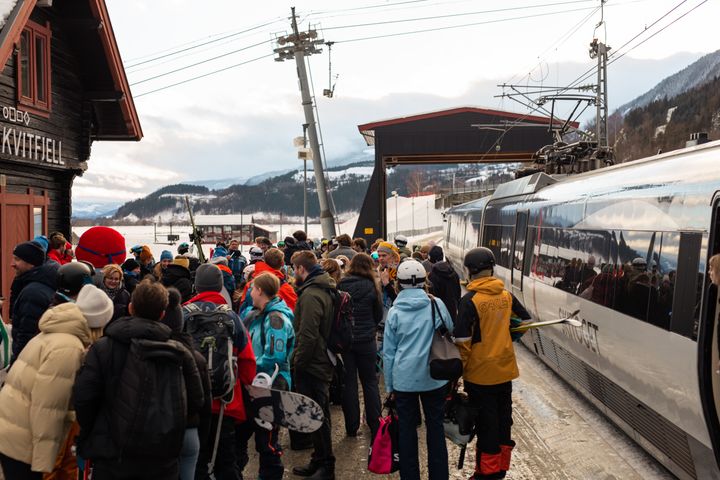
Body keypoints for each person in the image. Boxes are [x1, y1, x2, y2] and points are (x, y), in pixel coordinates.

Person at [73, 279, 204, 480]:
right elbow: (195, 401)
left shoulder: (104, 348)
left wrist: (97, 433)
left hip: (112, 454)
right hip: (162, 457)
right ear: (162, 314)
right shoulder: (181, 353)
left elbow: (84, 398)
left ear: (131, 307)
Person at [0, 284, 112, 479]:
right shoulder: (68, 348)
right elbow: (48, 409)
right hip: (23, 444)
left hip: (13, 432)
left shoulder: (55, 333)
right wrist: (44, 463)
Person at [454, 247, 532, 480]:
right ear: (491, 269)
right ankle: (500, 470)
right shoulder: (505, 295)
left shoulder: (470, 301)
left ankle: (485, 474)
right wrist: (509, 335)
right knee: (503, 421)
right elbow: (525, 321)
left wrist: (460, 371)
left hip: (480, 374)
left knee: (486, 425)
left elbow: (462, 341)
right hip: (505, 370)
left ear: (469, 271)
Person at [184, 264, 256, 480]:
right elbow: (247, 359)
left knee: (193, 460)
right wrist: (249, 391)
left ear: (196, 285)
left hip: (190, 401)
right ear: (220, 286)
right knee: (226, 459)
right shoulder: (231, 317)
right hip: (225, 400)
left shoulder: (182, 314)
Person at [383, 260, 452, 480]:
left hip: (404, 381)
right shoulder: (436, 304)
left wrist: (390, 386)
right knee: (435, 429)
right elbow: (449, 329)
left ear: (399, 284)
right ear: (424, 281)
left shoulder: (394, 312)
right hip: (434, 377)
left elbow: (388, 353)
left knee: (406, 432)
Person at [43, 284, 115, 480]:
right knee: (52, 467)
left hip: (61, 418)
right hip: (56, 419)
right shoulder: (72, 346)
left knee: (65, 466)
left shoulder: (67, 336)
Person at [237, 272, 295, 479]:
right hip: (252, 383)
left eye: (252, 288)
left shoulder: (276, 318)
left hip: (271, 384)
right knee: (240, 434)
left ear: (260, 290)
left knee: (266, 440)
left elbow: (275, 355)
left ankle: (270, 475)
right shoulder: (254, 314)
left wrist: (246, 365)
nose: (250, 292)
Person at [290, 251, 337, 480]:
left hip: (313, 363)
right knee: (316, 413)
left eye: (294, 269)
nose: (292, 274)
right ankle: (319, 459)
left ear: (301, 269)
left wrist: (297, 363)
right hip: (320, 358)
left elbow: (307, 335)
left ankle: (326, 465)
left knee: (318, 414)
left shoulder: (310, 295)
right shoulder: (323, 287)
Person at [162, 288, 212, 480]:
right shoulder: (194, 357)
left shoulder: (139, 350)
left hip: (158, 430)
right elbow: (202, 402)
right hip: (188, 429)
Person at [338, 253, 383, 439]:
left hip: (347, 342)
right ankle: (375, 424)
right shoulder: (372, 286)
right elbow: (378, 314)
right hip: (367, 341)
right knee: (370, 382)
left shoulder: (341, 285)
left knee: (349, 384)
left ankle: (351, 426)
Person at [9, 241, 58, 364]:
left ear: (31, 263)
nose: (12, 264)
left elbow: (27, 336)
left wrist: (15, 366)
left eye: (17, 259)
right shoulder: (39, 281)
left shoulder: (33, 293)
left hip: (30, 361)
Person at [239, 248, 297, 312]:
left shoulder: (250, 284)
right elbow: (294, 311)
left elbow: (243, 308)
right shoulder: (285, 287)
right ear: (282, 263)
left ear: (265, 260)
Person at [427, 246, 462, 323]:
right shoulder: (453, 272)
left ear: (433, 260)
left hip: (439, 314)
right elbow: (458, 293)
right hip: (452, 312)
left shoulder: (433, 275)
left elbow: (432, 296)